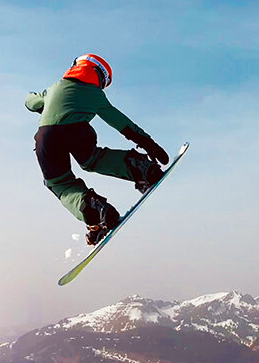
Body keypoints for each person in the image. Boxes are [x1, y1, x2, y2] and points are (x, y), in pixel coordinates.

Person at [25, 54, 170, 245]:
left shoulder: (54, 88)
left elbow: (30, 102)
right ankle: (141, 168)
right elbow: (120, 122)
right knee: (93, 160)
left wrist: (40, 101)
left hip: (46, 137)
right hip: (78, 131)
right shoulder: (95, 94)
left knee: (59, 183)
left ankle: (95, 211)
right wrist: (148, 143)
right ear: (99, 77)